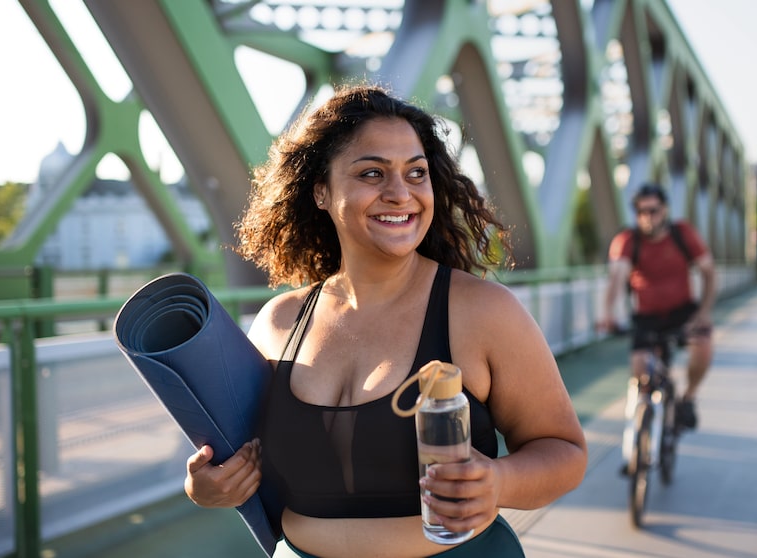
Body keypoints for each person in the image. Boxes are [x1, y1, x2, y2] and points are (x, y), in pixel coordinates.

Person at [184, 84, 587, 558]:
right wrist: (208, 486)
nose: (400, 194)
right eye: (372, 173)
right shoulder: (278, 323)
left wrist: (498, 480)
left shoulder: (483, 312)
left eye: (416, 174)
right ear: (320, 192)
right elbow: (238, 460)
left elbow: (565, 452)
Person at [598, 183, 716, 430]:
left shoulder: (682, 233)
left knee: (703, 347)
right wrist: (607, 314)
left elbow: (708, 272)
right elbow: (617, 278)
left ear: (665, 210)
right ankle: (640, 440)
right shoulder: (628, 240)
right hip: (647, 315)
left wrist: (704, 313)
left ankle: (689, 398)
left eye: (653, 211)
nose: (648, 218)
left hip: (683, 310)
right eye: (641, 212)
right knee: (641, 374)